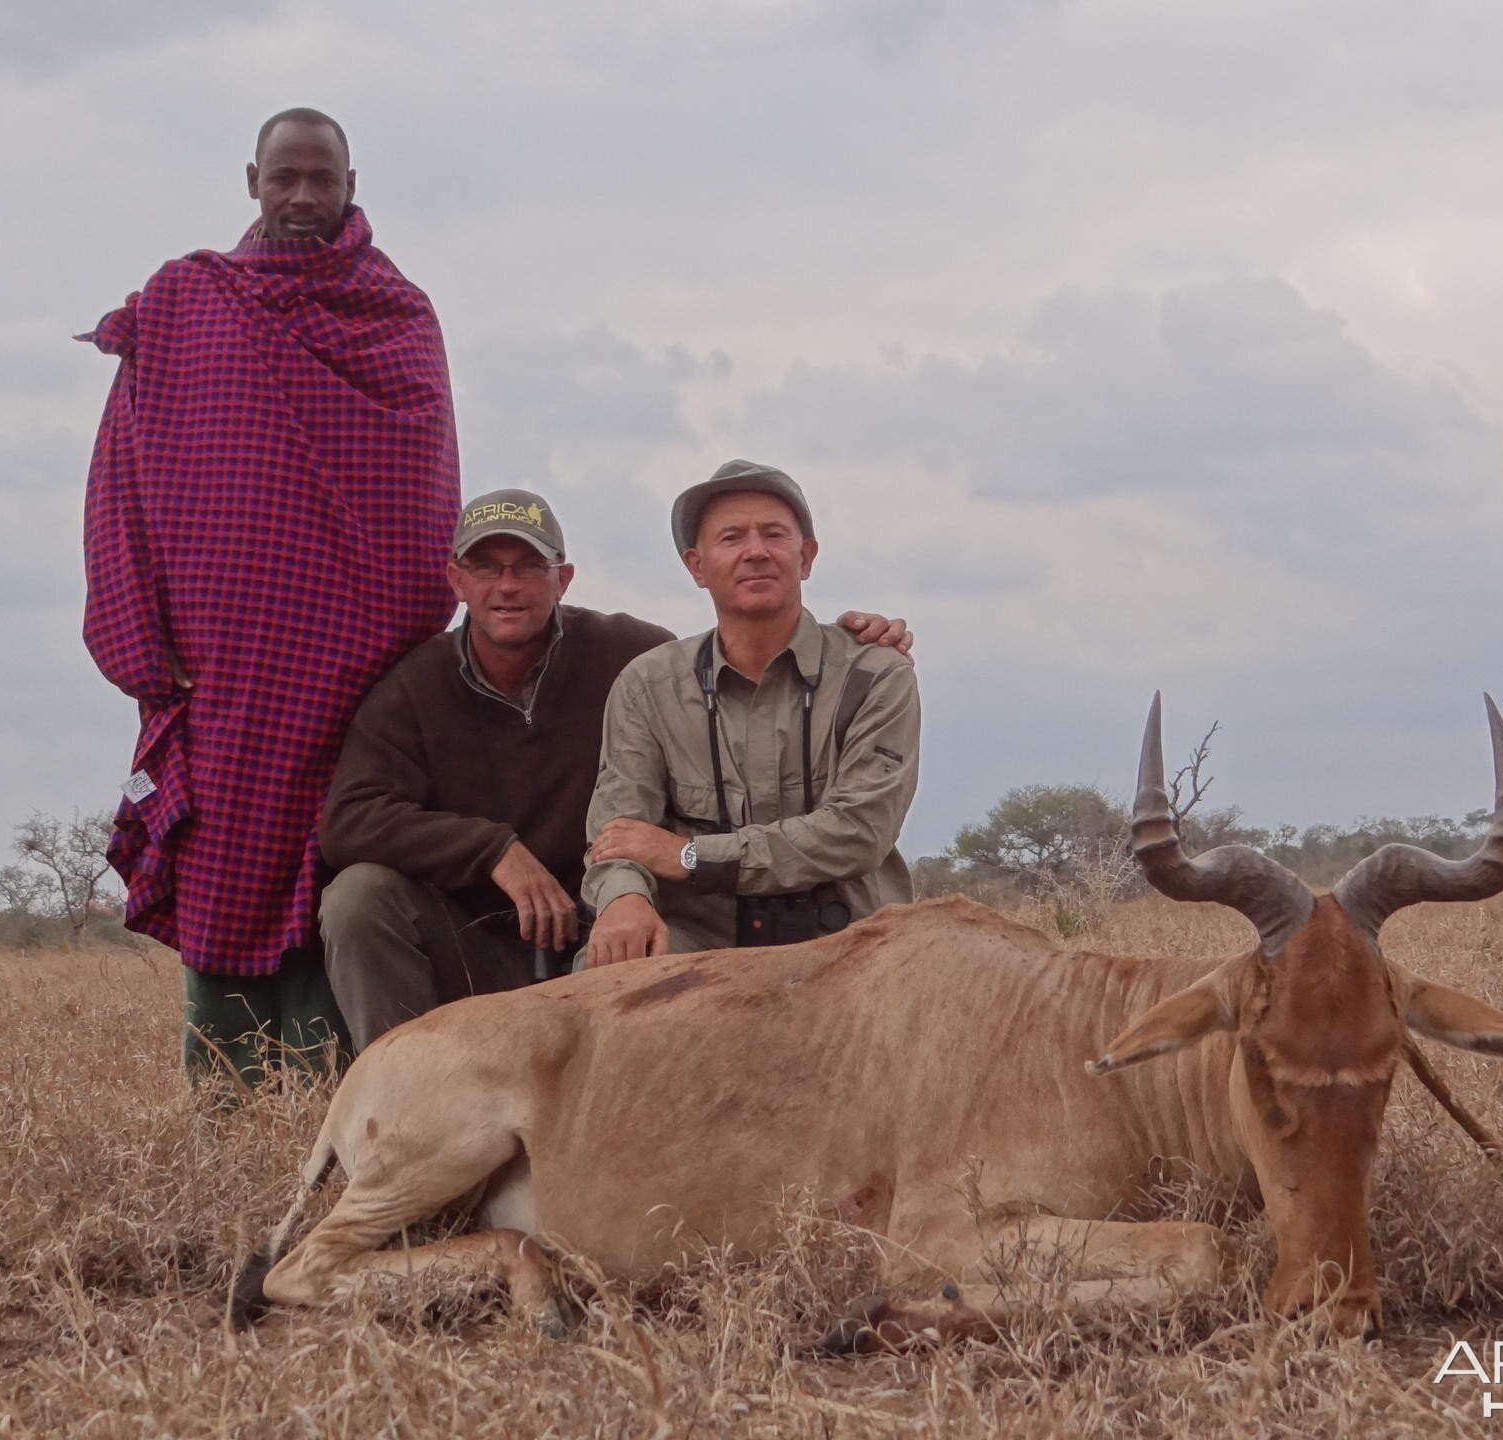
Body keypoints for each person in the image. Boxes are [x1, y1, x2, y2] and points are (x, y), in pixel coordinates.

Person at [80, 108, 459, 1086]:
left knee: (343, 878)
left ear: (350, 182)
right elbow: (123, 475)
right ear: (251, 179)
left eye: (318, 178)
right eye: (282, 177)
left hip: (354, 679)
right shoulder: (184, 300)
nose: (299, 196)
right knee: (223, 874)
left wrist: (396, 650)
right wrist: (133, 631)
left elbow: (423, 492)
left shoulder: (397, 316)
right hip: (221, 672)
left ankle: (338, 1116)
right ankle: (226, 1131)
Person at [316, 488, 911, 1049]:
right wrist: (496, 853)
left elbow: (750, 665)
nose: (507, 586)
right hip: (490, 932)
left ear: (562, 578)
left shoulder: (633, 656)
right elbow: (349, 821)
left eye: (527, 566)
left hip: (624, 920)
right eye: (485, 568)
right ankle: (400, 1104)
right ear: (456, 581)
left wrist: (855, 640)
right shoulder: (417, 684)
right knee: (357, 898)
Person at [581, 460, 920, 964]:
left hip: (852, 943)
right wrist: (624, 897)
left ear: (806, 557)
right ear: (697, 566)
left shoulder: (876, 672)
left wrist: (688, 856)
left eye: (774, 534)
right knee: (604, 967)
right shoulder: (647, 685)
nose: (756, 552)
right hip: (703, 944)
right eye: (732, 537)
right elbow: (618, 835)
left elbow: (857, 833)